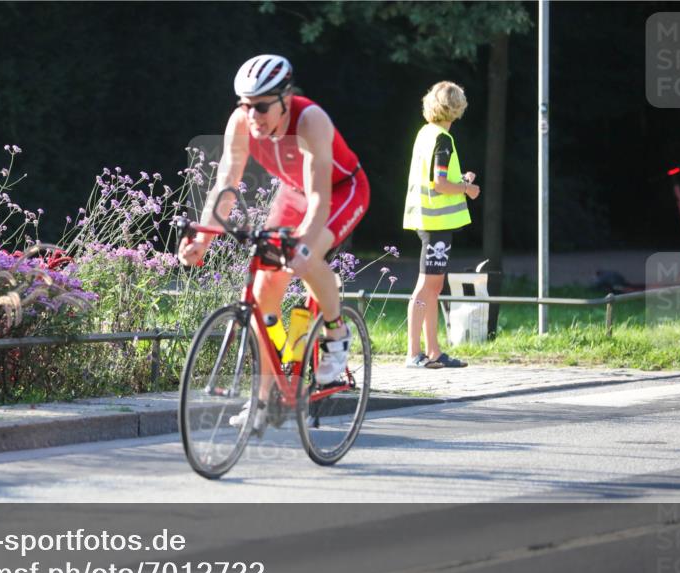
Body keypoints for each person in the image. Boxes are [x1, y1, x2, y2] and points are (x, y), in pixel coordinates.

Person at [178, 54, 370, 428]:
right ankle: (263, 400)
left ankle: (336, 333)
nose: (253, 115)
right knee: (263, 292)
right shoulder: (241, 122)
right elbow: (226, 184)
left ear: (285, 98)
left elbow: (319, 199)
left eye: (262, 106)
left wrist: (302, 247)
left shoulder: (311, 120)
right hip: (295, 191)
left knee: (307, 254)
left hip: (341, 190)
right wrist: (202, 237)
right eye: (246, 105)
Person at [403, 81, 480, 369]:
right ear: (456, 108)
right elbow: (441, 182)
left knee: (433, 287)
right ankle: (414, 353)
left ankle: (433, 351)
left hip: (428, 218)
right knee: (427, 286)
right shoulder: (443, 139)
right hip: (436, 223)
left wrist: (462, 181)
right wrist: (467, 189)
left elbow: (437, 178)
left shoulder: (426, 133)